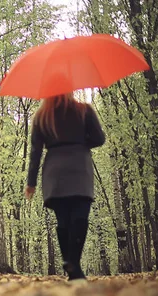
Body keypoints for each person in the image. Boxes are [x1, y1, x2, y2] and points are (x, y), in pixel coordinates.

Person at [24, 93, 105, 280]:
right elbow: (99, 139)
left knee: (63, 219)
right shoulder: (84, 111)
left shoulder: (41, 117)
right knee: (80, 216)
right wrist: (81, 142)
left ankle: (71, 267)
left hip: (55, 171)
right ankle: (73, 264)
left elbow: (35, 152)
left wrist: (31, 183)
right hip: (79, 166)